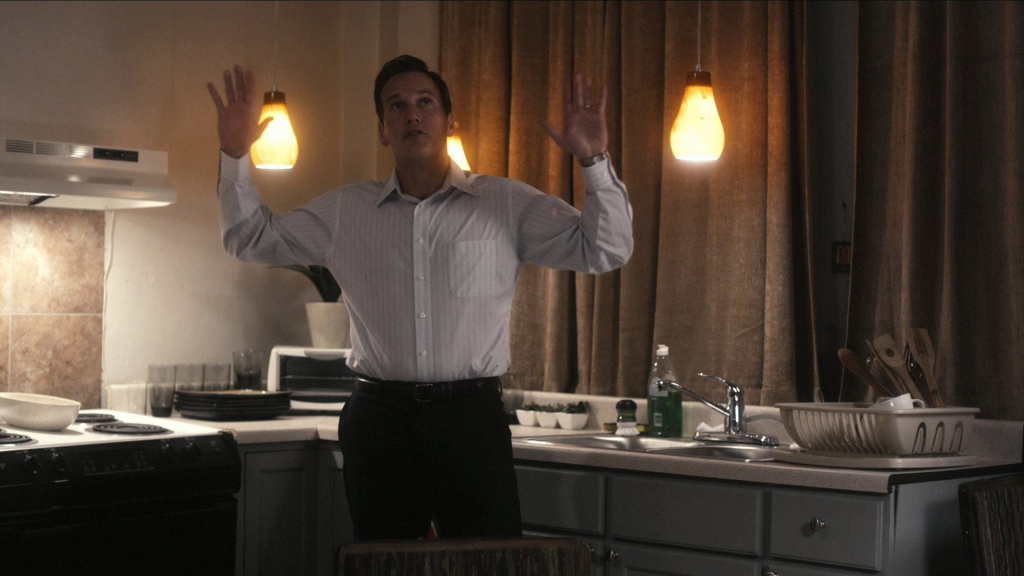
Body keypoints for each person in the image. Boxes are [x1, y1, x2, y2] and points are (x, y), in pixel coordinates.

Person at [208, 55, 633, 541]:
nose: (412, 114)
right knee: (384, 563)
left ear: (449, 122)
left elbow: (606, 249)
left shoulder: (505, 204)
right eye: (397, 106)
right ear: (383, 130)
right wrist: (234, 154)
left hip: (470, 420)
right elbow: (249, 239)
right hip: (380, 421)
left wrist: (594, 161)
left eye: (425, 102)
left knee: (486, 563)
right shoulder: (346, 211)